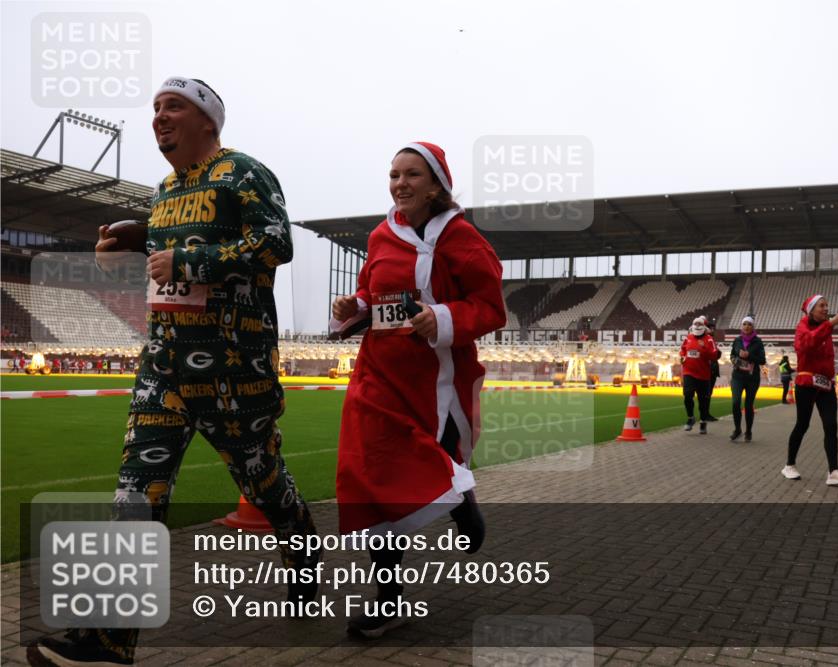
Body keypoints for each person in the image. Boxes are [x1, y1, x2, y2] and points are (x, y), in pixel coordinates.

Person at [29, 77, 319, 667]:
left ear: (209, 120)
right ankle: (108, 643)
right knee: (136, 493)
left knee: (264, 483)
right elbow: (170, 240)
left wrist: (190, 258)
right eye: (156, 108)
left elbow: (276, 243)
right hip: (163, 366)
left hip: (236, 370)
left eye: (174, 107)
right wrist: (135, 238)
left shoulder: (245, 173)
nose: (159, 117)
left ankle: (305, 556)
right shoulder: (164, 189)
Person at [330, 142, 505, 639]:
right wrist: (353, 305)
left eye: (411, 175)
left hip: (437, 383)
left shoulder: (464, 239)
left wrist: (443, 317)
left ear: (436, 185)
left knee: (434, 461)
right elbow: (373, 292)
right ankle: (388, 603)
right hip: (378, 378)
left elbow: (491, 308)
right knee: (369, 479)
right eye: (393, 175)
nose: (399, 184)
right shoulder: (380, 235)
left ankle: (458, 496)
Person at [782, 295, 838, 485]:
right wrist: (829, 325)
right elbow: (806, 345)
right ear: (811, 310)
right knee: (802, 424)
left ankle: (833, 471)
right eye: (821, 306)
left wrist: (831, 377)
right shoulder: (802, 327)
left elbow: (827, 358)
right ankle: (789, 465)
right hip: (806, 383)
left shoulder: (826, 329)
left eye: (826, 305)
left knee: (831, 425)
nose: (826, 308)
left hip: (825, 385)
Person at [680, 315, 719, 434]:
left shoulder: (709, 339)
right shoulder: (688, 338)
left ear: (703, 326)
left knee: (703, 400)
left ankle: (703, 422)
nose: (697, 326)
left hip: (703, 374)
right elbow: (683, 350)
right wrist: (682, 357)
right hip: (689, 372)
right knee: (687, 395)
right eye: (695, 324)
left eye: (699, 324)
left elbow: (714, 356)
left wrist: (704, 348)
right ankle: (690, 418)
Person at [729, 316, 766, 442]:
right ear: (741, 326)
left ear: (753, 327)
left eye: (749, 324)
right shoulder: (737, 340)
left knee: (748, 405)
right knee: (735, 402)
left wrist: (749, 355)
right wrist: (734, 359)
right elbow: (732, 355)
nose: (746, 326)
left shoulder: (758, 342)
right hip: (737, 377)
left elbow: (762, 360)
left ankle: (748, 431)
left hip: (752, 378)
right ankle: (737, 429)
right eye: (744, 324)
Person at [704, 319, 721, 421]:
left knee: (708, 393)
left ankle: (706, 413)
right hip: (708, 369)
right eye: (712, 328)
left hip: (712, 369)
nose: (713, 330)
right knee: (706, 393)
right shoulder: (707, 339)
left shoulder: (712, 340)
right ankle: (705, 414)